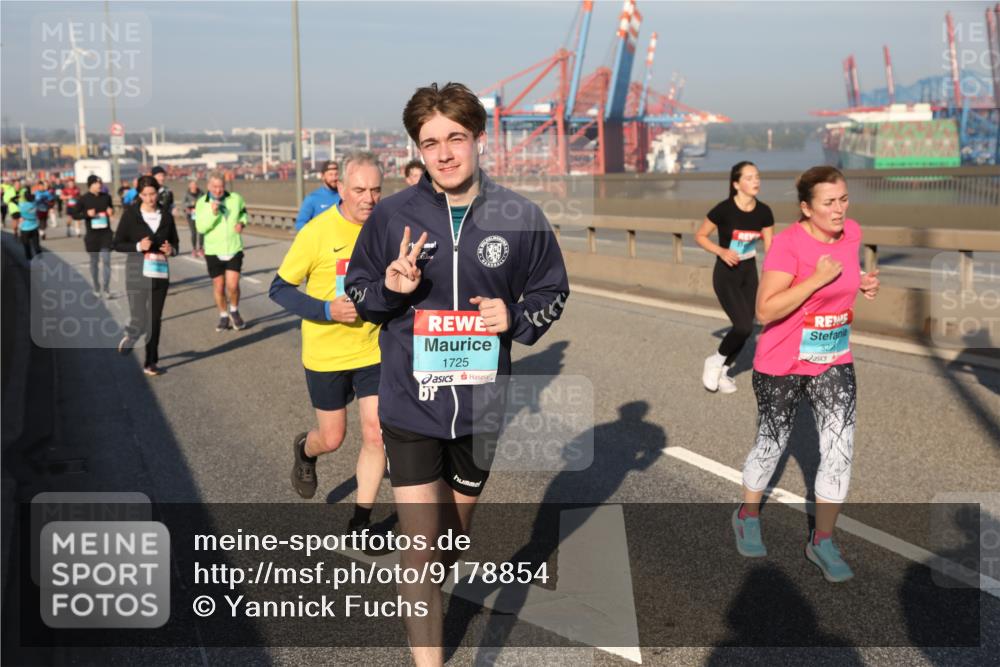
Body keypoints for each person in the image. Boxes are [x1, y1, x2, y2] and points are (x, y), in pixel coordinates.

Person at [345, 82, 569, 663]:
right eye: (430, 143)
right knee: (420, 551)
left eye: (455, 138)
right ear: (417, 150)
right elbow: (359, 290)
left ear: (479, 139)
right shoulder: (392, 215)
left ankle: (429, 590)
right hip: (410, 402)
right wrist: (389, 289)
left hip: (481, 407)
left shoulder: (519, 215)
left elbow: (552, 289)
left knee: (450, 541)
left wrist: (515, 315)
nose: (443, 154)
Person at [732, 166, 880, 583]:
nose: (839, 209)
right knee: (771, 444)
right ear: (806, 208)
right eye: (828, 202)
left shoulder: (851, 232)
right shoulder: (788, 244)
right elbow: (765, 310)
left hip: (833, 358)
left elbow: (844, 273)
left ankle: (823, 540)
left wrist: (861, 283)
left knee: (839, 449)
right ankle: (747, 514)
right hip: (782, 361)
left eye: (843, 199)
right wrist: (817, 280)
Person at [270, 152, 387, 533]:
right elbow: (279, 289)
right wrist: (325, 309)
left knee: (376, 432)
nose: (369, 199)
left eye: (376, 190)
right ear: (341, 187)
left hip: (373, 349)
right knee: (332, 438)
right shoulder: (316, 233)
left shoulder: (386, 227)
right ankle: (306, 450)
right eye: (360, 190)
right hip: (326, 354)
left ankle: (361, 520)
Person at [696, 161, 774, 393]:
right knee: (742, 326)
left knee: (748, 328)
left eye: (757, 177)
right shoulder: (724, 209)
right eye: (749, 178)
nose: (755, 181)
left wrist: (774, 278)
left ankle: (723, 371)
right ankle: (715, 361)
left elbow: (770, 248)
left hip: (749, 274)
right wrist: (721, 251)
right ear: (736, 184)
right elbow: (700, 236)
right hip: (726, 274)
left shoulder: (764, 212)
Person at [113, 175, 179, 376]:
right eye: (145, 195)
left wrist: (171, 250)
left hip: (159, 274)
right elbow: (117, 244)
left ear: (158, 192)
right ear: (139, 195)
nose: (150, 198)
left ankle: (151, 362)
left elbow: (175, 243)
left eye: (153, 194)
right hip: (136, 273)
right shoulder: (131, 215)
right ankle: (133, 334)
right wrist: (137, 246)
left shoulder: (166, 216)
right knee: (140, 318)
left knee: (154, 320)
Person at [195, 171, 248, 331]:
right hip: (213, 250)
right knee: (219, 286)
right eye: (215, 187)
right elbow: (201, 227)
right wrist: (213, 213)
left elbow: (243, 213)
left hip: (234, 247)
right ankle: (224, 315)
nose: (218, 190)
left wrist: (242, 223)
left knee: (233, 285)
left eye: (221, 186)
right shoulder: (201, 203)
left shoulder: (235, 198)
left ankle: (234, 311)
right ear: (208, 186)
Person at [75, 175, 115, 299]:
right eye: (96, 183)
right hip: (92, 236)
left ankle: (106, 289)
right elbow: (75, 214)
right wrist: (86, 214)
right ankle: (96, 287)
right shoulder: (84, 199)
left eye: (100, 183)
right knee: (94, 262)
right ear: (90, 185)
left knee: (107, 261)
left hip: (106, 234)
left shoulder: (106, 197)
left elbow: (111, 208)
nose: (99, 185)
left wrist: (111, 211)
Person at [294, 160, 341, 232]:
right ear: (323, 176)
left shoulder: (345, 196)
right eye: (330, 175)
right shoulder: (312, 198)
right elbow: (300, 224)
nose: (334, 178)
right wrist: (316, 234)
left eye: (336, 174)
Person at [11, 191, 41, 259]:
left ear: (25, 198)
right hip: (34, 227)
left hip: (25, 228)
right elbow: (35, 197)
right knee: (36, 245)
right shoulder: (34, 204)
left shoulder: (22, 205)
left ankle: (29, 259)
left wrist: (19, 196)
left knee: (26, 246)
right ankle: (40, 259)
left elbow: (12, 200)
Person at [182, 179, 204, 257]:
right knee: (193, 232)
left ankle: (201, 248)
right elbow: (183, 204)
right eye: (192, 185)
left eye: (195, 184)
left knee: (201, 231)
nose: (194, 186)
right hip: (191, 214)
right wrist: (190, 204)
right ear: (189, 186)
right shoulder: (186, 193)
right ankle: (194, 249)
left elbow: (206, 201)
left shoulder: (201, 193)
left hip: (200, 213)